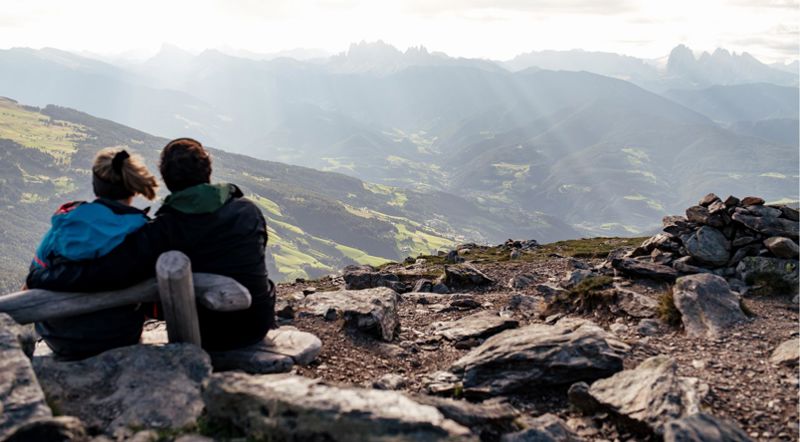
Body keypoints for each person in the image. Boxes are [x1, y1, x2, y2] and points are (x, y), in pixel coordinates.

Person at [27, 138, 276, 352]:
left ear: (166, 179)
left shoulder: (163, 230)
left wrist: (43, 277)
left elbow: (104, 274)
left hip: (207, 334)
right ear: (208, 171)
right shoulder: (247, 210)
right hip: (258, 322)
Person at [29, 147, 159, 359]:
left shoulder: (66, 222)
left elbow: (34, 275)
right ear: (133, 188)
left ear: (95, 184)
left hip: (59, 338)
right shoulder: (143, 230)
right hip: (119, 335)